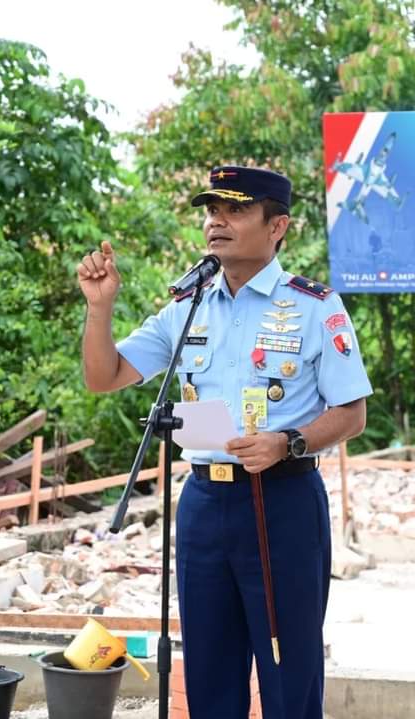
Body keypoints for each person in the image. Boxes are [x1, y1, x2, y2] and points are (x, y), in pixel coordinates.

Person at [76, 166, 371, 718]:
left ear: (277, 225)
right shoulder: (188, 307)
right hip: (204, 505)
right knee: (209, 670)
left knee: (289, 670)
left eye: (236, 210)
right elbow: (104, 375)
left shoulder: (313, 306)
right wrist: (100, 307)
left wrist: (288, 442)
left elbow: (351, 413)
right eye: (212, 210)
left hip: (281, 503)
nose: (217, 221)